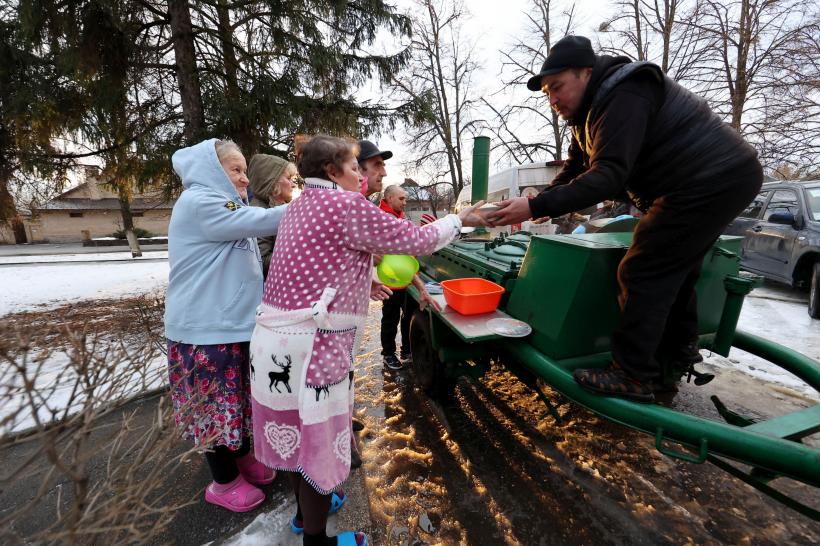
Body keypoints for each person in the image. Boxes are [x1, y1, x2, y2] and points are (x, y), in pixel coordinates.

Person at [487, 35, 763, 402]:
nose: (552, 99)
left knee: (642, 269)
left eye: (557, 87)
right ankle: (677, 350)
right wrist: (540, 198)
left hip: (708, 178)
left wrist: (536, 208)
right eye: (547, 93)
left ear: (586, 73)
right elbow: (578, 165)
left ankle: (633, 374)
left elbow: (608, 175)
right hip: (716, 177)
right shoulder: (588, 113)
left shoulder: (625, 94)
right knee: (674, 268)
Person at [249, 135, 487, 546]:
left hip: (273, 343)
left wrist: (367, 279)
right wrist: (460, 219)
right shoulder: (345, 205)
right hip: (314, 347)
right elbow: (416, 241)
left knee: (296, 439)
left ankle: (305, 518)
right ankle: (318, 539)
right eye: (355, 167)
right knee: (317, 447)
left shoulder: (296, 207)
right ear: (332, 171)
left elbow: (323, 264)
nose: (361, 175)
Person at [165, 139, 287, 512]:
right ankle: (222, 481)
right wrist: (313, 206)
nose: (244, 179)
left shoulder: (228, 205)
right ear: (213, 171)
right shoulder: (200, 202)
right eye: (235, 170)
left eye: (244, 171)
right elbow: (262, 220)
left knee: (238, 404)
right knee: (214, 410)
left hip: (231, 326)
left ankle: (243, 458)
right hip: (204, 331)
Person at [248, 154, 298, 278]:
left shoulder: (277, 206)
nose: (293, 184)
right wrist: (298, 246)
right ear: (271, 181)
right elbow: (261, 263)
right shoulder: (258, 211)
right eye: (288, 178)